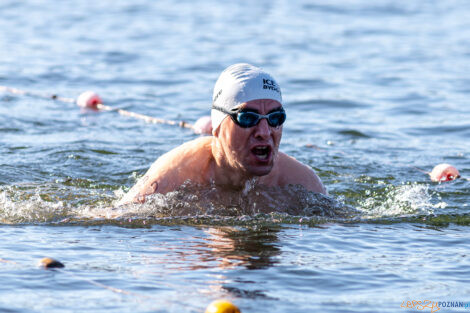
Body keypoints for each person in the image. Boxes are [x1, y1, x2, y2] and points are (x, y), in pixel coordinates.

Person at [118, 63, 326, 205]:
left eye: (275, 118)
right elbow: (112, 221)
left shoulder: (300, 182)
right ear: (217, 125)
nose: (264, 132)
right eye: (247, 118)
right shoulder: (173, 177)